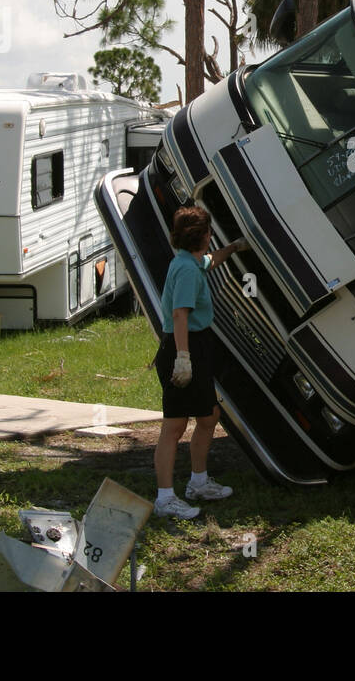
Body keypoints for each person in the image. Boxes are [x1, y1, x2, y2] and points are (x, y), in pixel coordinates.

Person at [152, 205, 247, 520]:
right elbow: (180, 314)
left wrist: (233, 248)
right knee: (175, 425)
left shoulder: (189, 261)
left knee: (208, 417)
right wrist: (183, 358)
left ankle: (198, 482)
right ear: (204, 236)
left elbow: (211, 261)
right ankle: (165, 498)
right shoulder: (188, 271)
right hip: (185, 347)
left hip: (196, 346)